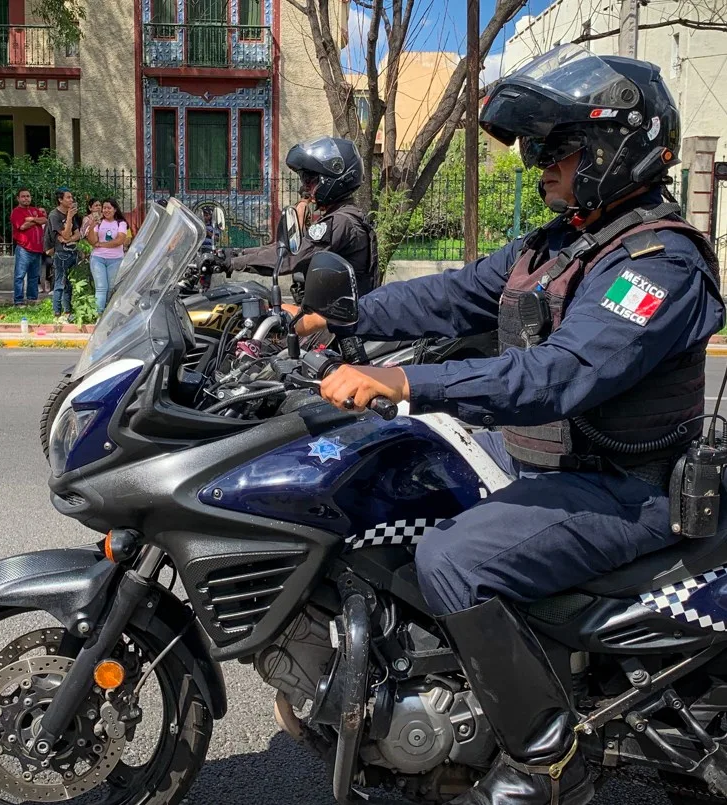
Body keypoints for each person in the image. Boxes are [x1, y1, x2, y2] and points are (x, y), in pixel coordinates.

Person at [292, 45, 725, 805]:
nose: (541, 168)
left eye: (559, 149)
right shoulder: (559, 243)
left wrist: (403, 380)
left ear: (614, 149)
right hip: (551, 465)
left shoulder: (658, 264)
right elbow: (455, 296)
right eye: (538, 150)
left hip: (626, 488)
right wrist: (335, 315)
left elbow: (557, 375)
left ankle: (544, 760)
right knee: (384, 475)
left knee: (454, 561)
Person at [217, 137, 379, 296]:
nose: (304, 185)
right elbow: (284, 248)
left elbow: (291, 257)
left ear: (332, 180)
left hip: (336, 320)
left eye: (310, 179)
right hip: (332, 313)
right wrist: (237, 253)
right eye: (304, 178)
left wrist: (232, 263)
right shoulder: (343, 217)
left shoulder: (341, 222)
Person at [44, 188, 81, 323]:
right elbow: (64, 234)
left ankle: (67, 311)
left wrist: (69, 239)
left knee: (69, 284)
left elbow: (78, 234)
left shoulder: (71, 214)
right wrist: (69, 219)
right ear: (60, 200)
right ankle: (57, 313)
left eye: (72, 197)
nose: (71, 200)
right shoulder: (55, 215)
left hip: (72, 252)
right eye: (68, 198)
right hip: (61, 253)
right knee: (60, 283)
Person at [86, 198, 128, 314]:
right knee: (101, 287)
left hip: (115, 259)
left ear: (115, 210)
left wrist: (102, 244)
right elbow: (92, 241)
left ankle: (109, 315)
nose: (106, 210)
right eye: (104, 208)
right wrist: (91, 227)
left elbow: (119, 240)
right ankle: (99, 314)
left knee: (110, 288)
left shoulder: (121, 223)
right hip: (98, 258)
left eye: (109, 208)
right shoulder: (99, 223)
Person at [10, 187, 47, 306]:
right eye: (23, 196)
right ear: (18, 198)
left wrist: (32, 219)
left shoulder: (34, 210)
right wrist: (36, 221)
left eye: (28, 196)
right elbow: (22, 227)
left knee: (34, 277)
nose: (26, 198)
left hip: (37, 249)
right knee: (20, 276)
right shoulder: (16, 212)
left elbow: (44, 220)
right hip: (24, 249)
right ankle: (19, 301)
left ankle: (32, 300)